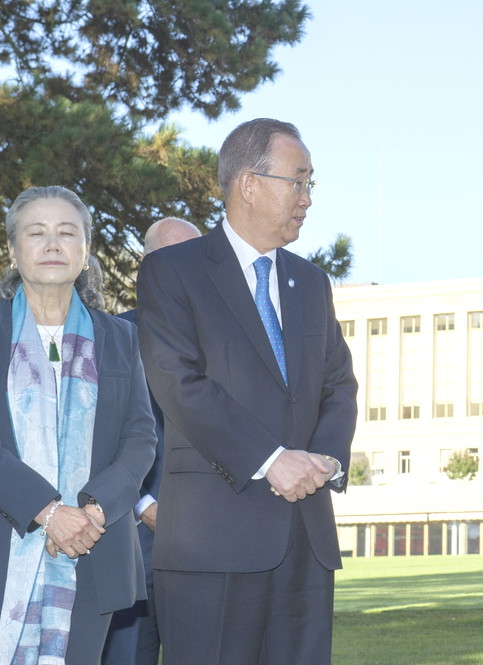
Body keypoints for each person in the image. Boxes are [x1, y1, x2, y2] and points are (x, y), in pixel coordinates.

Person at [136, 118, 358, 665]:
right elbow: (178, 384)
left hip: (305, 543)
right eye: (298, 180)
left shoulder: (310, 282)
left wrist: (324, 460)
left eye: (311, 183)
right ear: (249, 184)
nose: (307, 198)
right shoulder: (172, 271)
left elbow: (339, 383)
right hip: (212, 545)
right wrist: (271, 459)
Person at [0, 186, 157, 664]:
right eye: (37, 232)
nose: (53, 244)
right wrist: (48, 511)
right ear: (12, 249)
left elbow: (140, 436)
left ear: (86, 251)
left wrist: (92, 511)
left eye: (67, 233)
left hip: (94, 547)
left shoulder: (120, 337)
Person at [102, 218, 201, 665]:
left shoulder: (230, 341)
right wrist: (144, 504)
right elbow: (98, 436)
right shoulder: (111, 339)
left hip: (207, 552)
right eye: (168, 258)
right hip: (133, 543)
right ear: (145, 267)